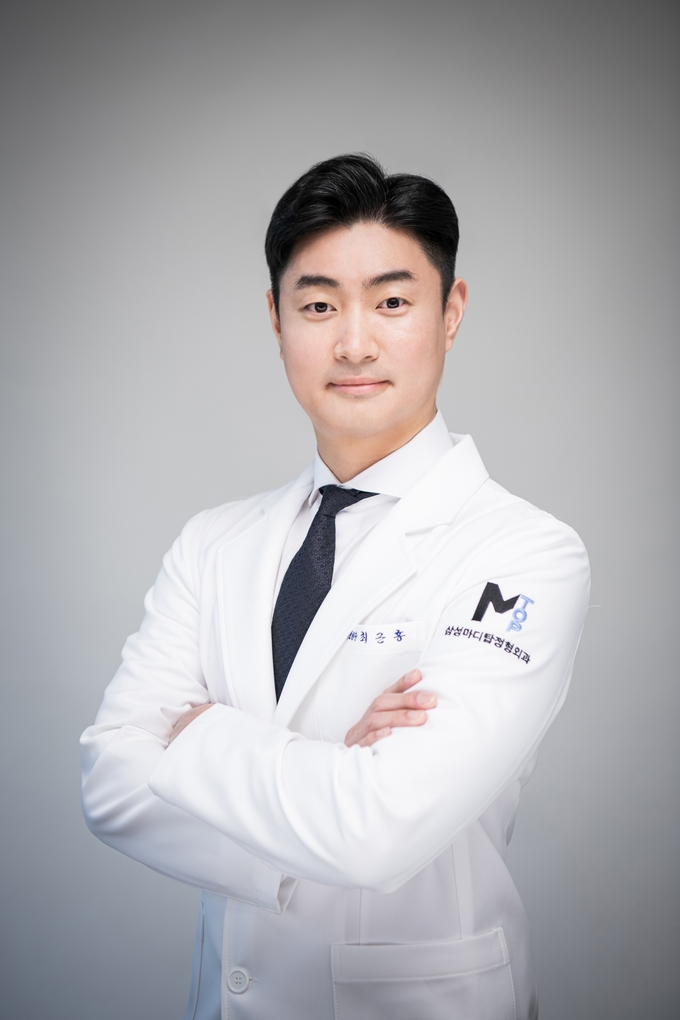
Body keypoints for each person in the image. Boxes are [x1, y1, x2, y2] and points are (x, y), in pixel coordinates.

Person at [80, 153, 590, 1020]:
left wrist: (200, 738)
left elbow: (381, 828)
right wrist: (334, 769)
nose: (354, 343)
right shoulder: (212, 544)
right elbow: (110, 782)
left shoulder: (524, 553)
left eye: (391, 303)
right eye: (318, 306)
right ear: (275, 319)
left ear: (451, 312)